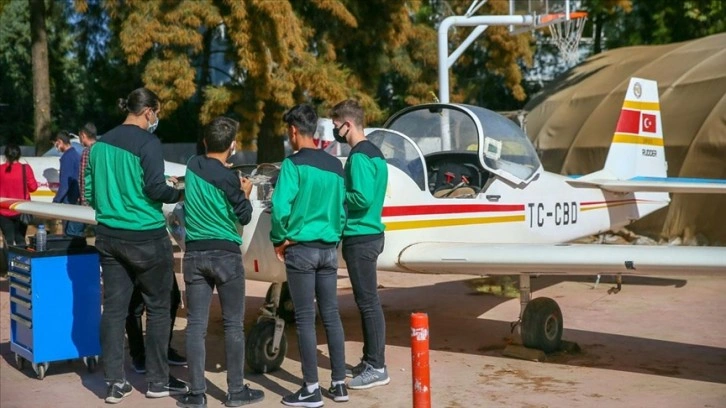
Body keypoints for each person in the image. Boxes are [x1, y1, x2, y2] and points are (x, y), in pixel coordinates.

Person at [84, 87, 188, 404]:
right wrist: (178, 192)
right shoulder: (148, 142)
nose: (157, 118)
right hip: (146, 237)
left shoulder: (99, 146)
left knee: (114, 311)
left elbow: (89, 193)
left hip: (109, 237)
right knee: (159, 308)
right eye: (157, 112)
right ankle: (157, 381)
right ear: (148, 112)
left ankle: (115, 382)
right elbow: (155, 189)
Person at [176, 116, 264, 408]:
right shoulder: (230, 179)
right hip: (226, 255)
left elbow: (208, 169)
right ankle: (236, 392)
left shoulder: (191, 165)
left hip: (195, 254)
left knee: (196, 326)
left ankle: (197, 394)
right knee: (233, 326)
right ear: (233, 147)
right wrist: (245, 193)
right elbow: (244, 216)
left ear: (204, 142)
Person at [271, 104, 348, 407]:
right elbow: (342, 212)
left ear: (293, 130)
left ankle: (311, 389)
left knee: (304, 319)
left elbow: (280, 208)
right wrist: (333, 235)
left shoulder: (292, 165)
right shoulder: (336, 166)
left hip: (300, 250)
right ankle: (339, 385)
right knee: (331, 315)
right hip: (328, 250)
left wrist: (279, 240)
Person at [329, 100, 390, 390]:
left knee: (368, 303)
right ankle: (370, 359)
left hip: (361, 236)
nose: (334, 131)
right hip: (368, 234)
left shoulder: (360, 156)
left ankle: (377, 367)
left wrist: (336, 193)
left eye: (335, 125)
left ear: (348, 125)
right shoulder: (375, 154)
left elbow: (362, 198)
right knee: (367, 303)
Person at [0, 144, 38, 269]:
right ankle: (23, 267)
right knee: (21, 239)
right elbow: (33, 187)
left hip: (4, 211)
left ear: (5, 156)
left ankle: (9, 269)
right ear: (19, 155)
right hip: (21, 209)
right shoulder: (25, 169)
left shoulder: (0, 170)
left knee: (8, 241)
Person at [52, 131, 85, 237]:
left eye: (55, 144)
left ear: (60, 142)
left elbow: (65, 184)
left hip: (70, 202)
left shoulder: (67, 158)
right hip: (77, 200)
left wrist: (56, 201)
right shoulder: (75, 154)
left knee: (69, 235)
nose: (55, 147)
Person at [78, 122, 97, 207]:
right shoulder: (103, 149)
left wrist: (83, 201)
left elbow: (84, 178)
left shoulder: (87, 152)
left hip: (90, 200)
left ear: (83, 135)